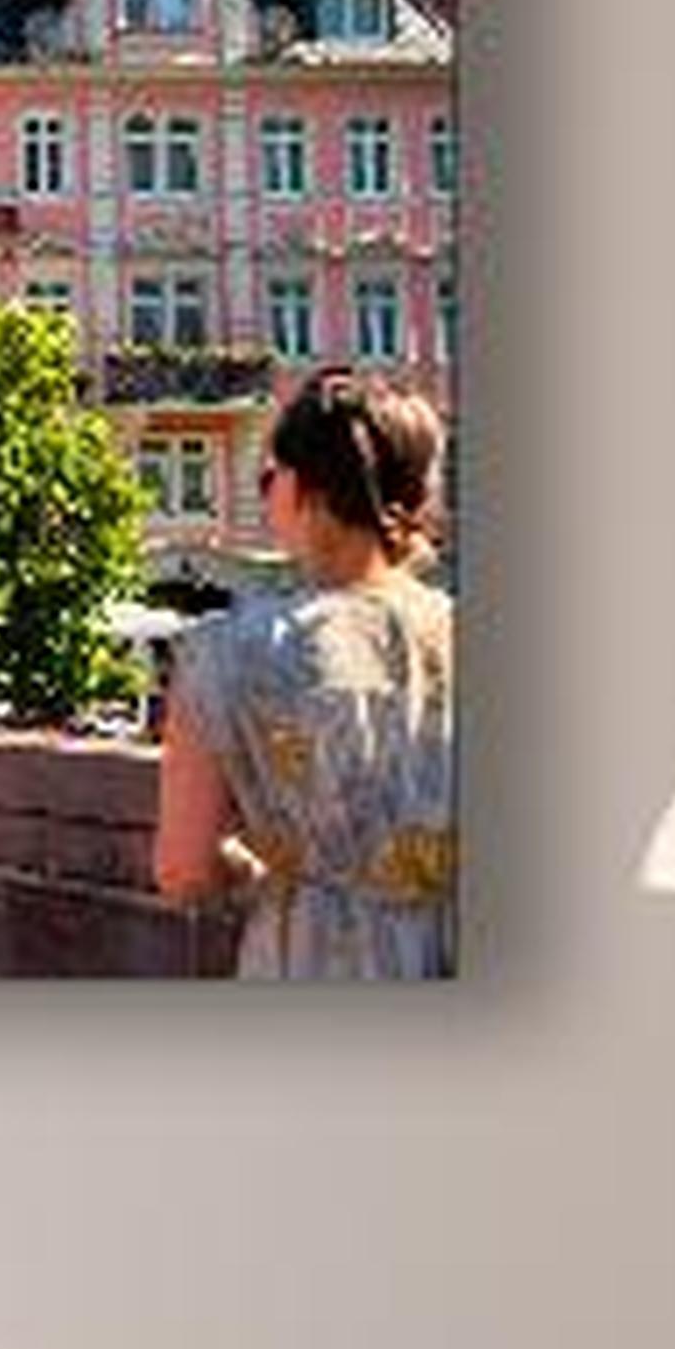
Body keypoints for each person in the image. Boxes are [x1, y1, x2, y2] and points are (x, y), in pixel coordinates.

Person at [154, 369, 456, 981]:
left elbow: (184, 870)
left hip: (306, 955)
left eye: (269, 477)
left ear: (303, 490)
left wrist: (274, 861)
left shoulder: (225, 652)